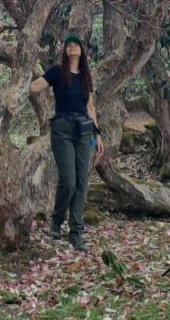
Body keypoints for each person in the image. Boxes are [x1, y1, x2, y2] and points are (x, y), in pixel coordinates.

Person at [29, 32, 104, 252]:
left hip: (83, 132)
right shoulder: (56, 72)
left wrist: (98, 135)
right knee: (69, 180)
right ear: (65, 51)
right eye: (68, 45)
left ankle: (76, 232)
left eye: (76, 44)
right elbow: (34, 87)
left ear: (81, 50)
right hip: (62, 129)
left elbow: (90, 108)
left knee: (82, 181)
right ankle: (56, 220)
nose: (72, 47)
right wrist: (23, 71)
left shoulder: (85, 77)